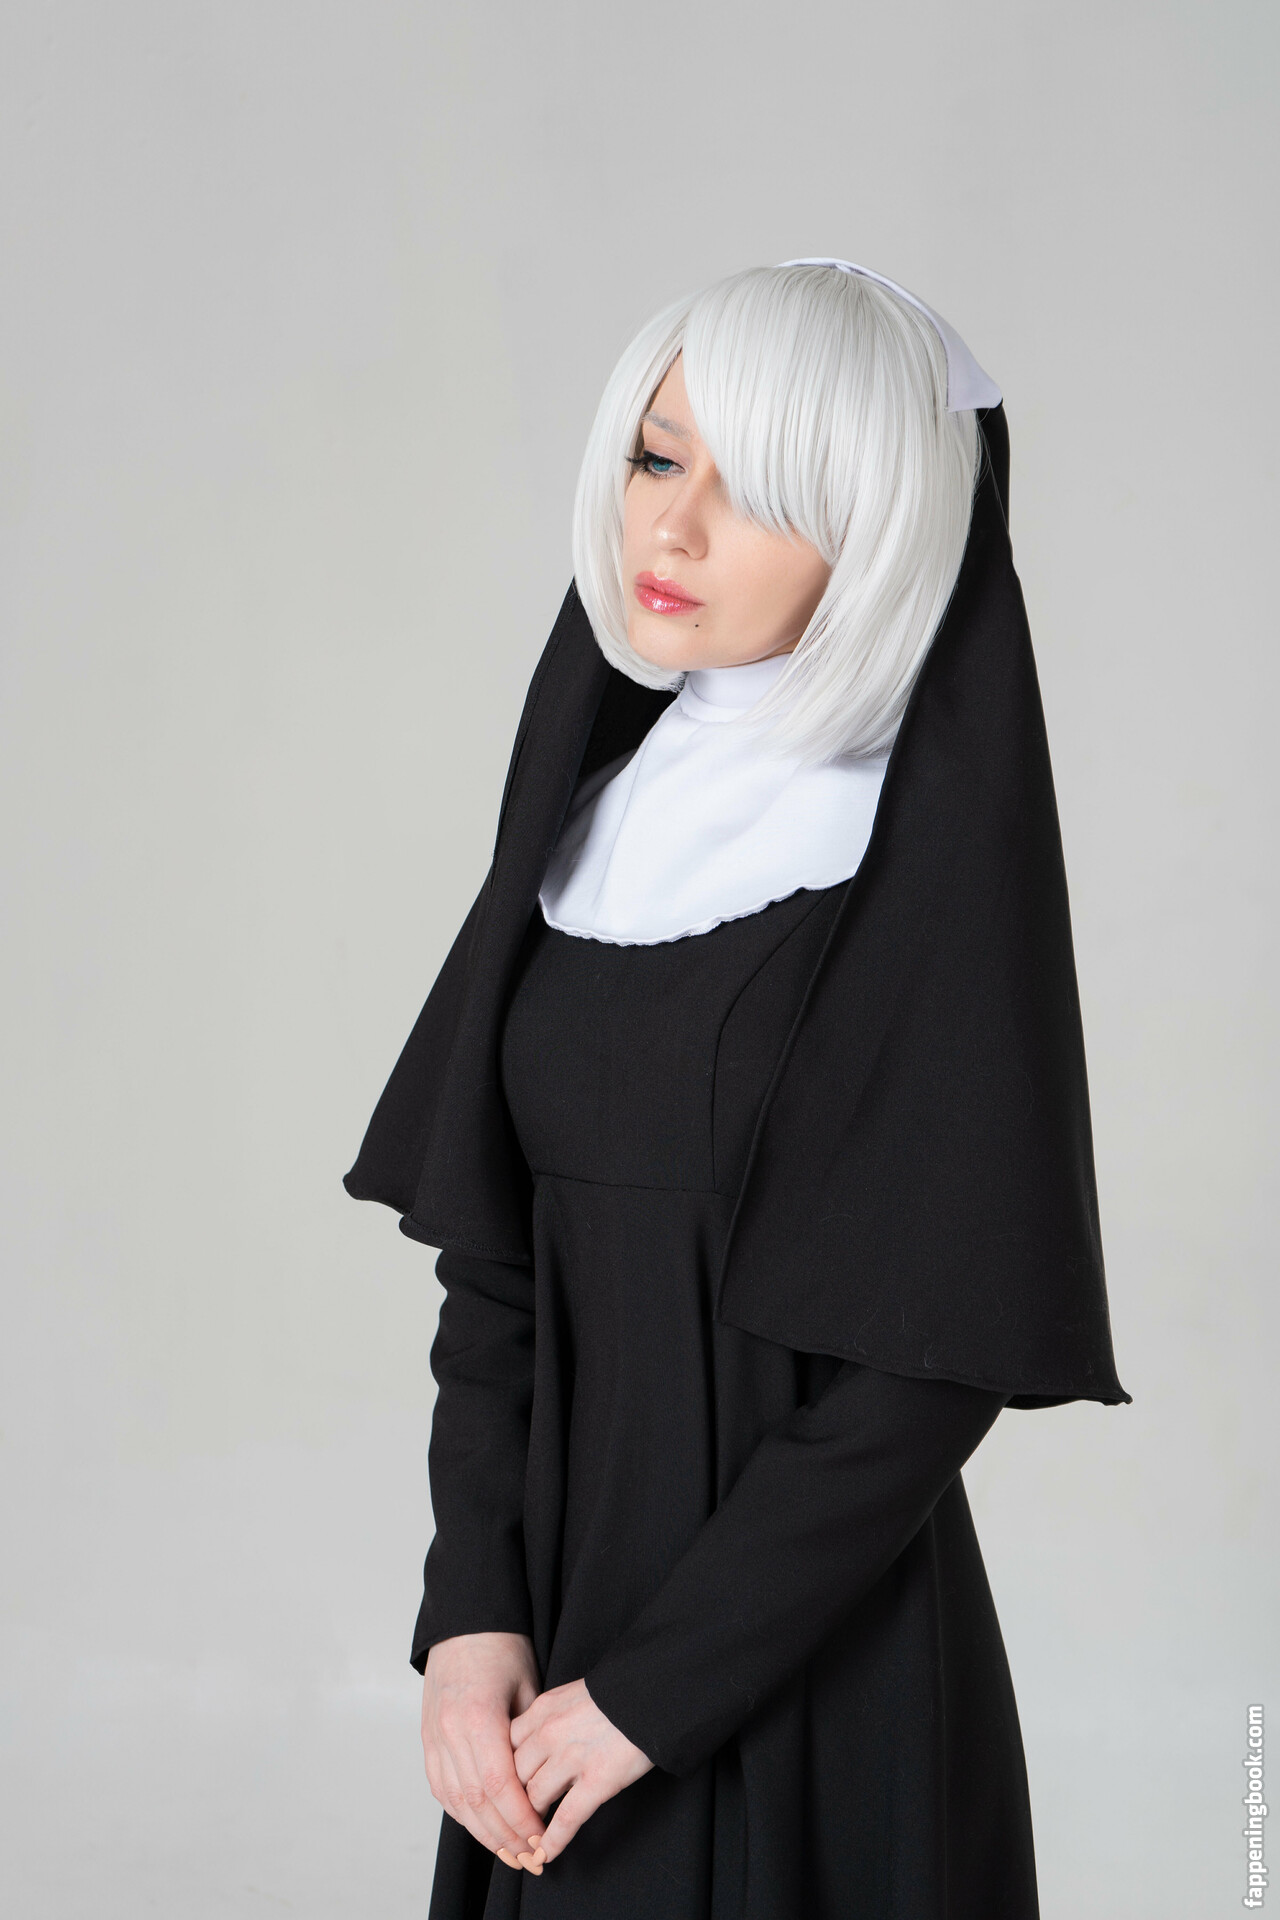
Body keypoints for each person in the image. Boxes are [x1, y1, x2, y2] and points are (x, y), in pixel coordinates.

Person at [343, 258, 1130, 1920]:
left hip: (807, 1668)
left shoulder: (910, 856)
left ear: (882, 526)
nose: (674, 527)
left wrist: (655, 1694)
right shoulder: (593, 817)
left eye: (760, 490)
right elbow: (496, 1269)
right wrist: (470, 1615)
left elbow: (927, 1368)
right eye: (656, 456)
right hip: (554, 1639)